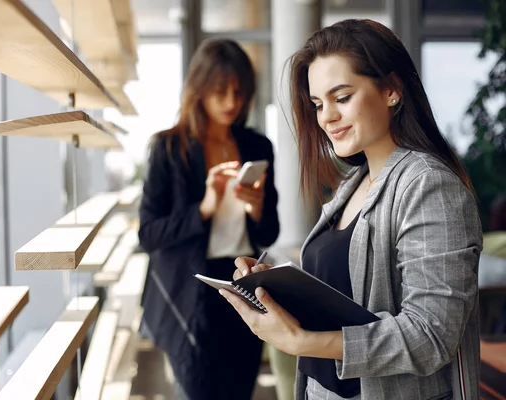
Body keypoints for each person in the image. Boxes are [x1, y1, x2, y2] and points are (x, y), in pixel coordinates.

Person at [220, 19, 483, 400]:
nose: (326, 117)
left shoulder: (428, 185)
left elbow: (431, 335)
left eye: (341, 98)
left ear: (391, 90)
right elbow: (344, 296)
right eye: (317, 104)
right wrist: (277, 287)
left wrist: (303, 342)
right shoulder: (352, 182)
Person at [138, 38, 280, 400]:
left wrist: (258, 208)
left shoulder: (257, 147)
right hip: (191, 293)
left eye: (239, 91)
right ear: (199, 89)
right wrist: (204, 206)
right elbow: (148, 234)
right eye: (221, 91)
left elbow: (269, 232)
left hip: (244, 287)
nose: (232, 102)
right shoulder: (169, 148)